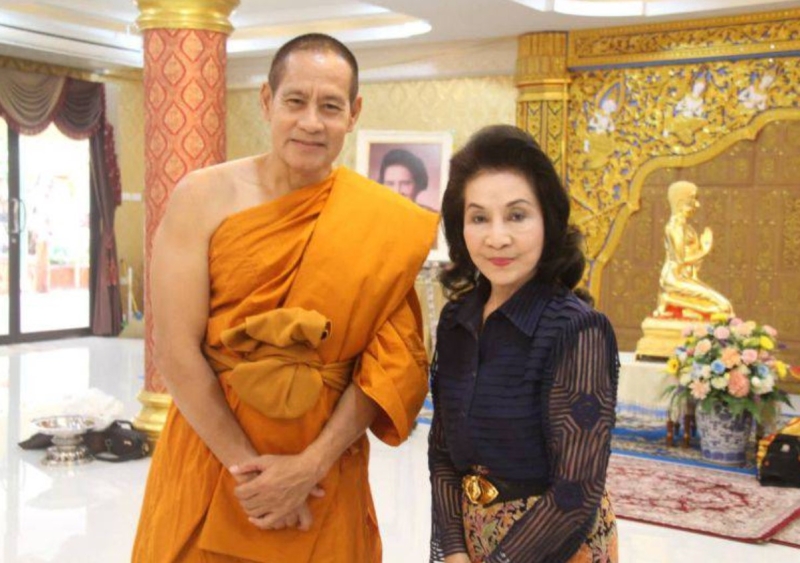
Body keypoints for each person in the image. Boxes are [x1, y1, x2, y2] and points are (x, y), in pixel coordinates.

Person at [132, 33, 438, 563]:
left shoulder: (379, 222)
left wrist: (308, 467)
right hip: (212, 456)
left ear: (354, 113)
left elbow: (387, 366)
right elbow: (176, 352)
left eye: (330, 106)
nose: (311, 122)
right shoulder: (202, 197)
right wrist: (250, 473)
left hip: (322, 472)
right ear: (266, 100)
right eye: (295, 101)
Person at [428, 125, 619, 563]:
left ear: (548, 220)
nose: (497, 238)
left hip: (556, 547)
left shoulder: (579, 330)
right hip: (471, 540)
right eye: (479, 218)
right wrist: (453, 551)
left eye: (516, 216)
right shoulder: (457, 321)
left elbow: (576, 493)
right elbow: (442, 454)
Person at [654, 180, 733, 319]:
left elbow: (690, 262)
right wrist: (704, 250)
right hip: (674, 279)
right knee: (724, 307)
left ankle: (677, 303)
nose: (697, 205)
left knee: (725, 307)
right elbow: (680, 260)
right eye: (692, 201)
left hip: (686, 278)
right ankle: (670, 300)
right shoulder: (674, 228)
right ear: (680, 203)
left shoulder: (687, 228)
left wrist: (700, 248)